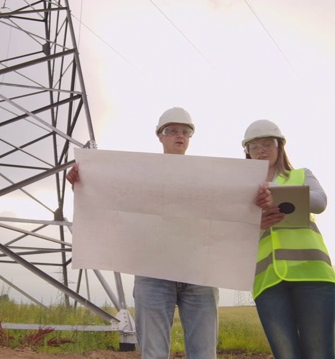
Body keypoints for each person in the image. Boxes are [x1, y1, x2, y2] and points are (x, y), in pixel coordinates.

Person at [67, 107, 274, 359]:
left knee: (203, 353)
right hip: (153, 275)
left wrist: (258, 201)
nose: (180, 136)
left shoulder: (211, 177)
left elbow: (231, 213)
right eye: (172, 131)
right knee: (153, 353)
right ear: (160, 136)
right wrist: (85, 180)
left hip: (200, 276)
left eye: (186, 132)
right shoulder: (139, 174)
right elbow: (113, 201)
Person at [242, 119, 335, 359]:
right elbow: (234, 229)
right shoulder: (242, 188)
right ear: (247, 152)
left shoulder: (300, 175)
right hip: (268, 282)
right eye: (254, 146)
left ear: (280, 146)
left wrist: (276, 190)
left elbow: (320, 202)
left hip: (313, 275)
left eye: (268, 143)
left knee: (319, 353)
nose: (262, 150)